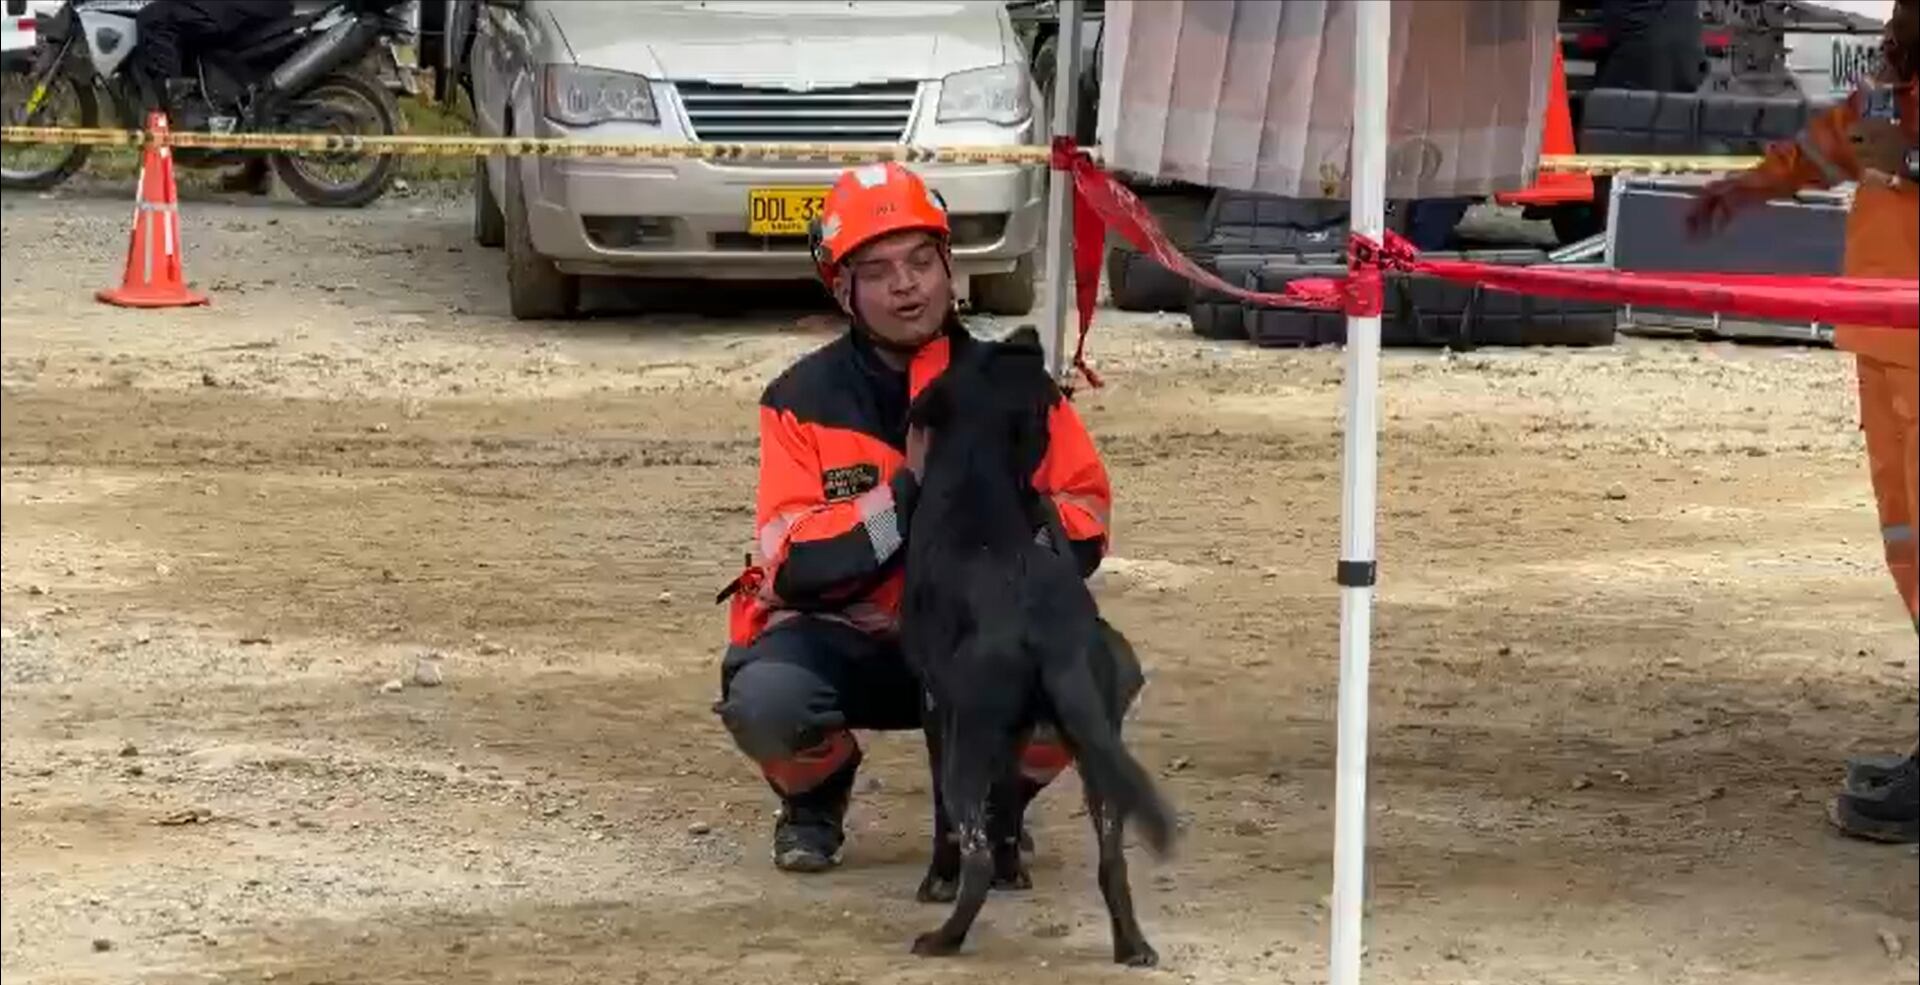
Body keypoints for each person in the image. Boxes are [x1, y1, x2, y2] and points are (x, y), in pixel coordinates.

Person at [711, 162, 1117, 872]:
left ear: (948, 265)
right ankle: (815, 798)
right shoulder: (799, 400)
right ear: (842, 289)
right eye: (879, 270)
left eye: (922, 261)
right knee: (768, 699)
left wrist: (1020, 515)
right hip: (852, 641)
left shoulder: (1016, 387)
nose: (907, 284)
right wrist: (904, 501)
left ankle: (996, 805)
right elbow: (797, 560)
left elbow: (1087, 521)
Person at [1687, 0, 1919, 844]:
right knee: (1910, 551)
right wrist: (1739, 188)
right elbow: (1827, 148)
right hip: (1886, 345)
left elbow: (1878, 155)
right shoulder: (1893, 95)